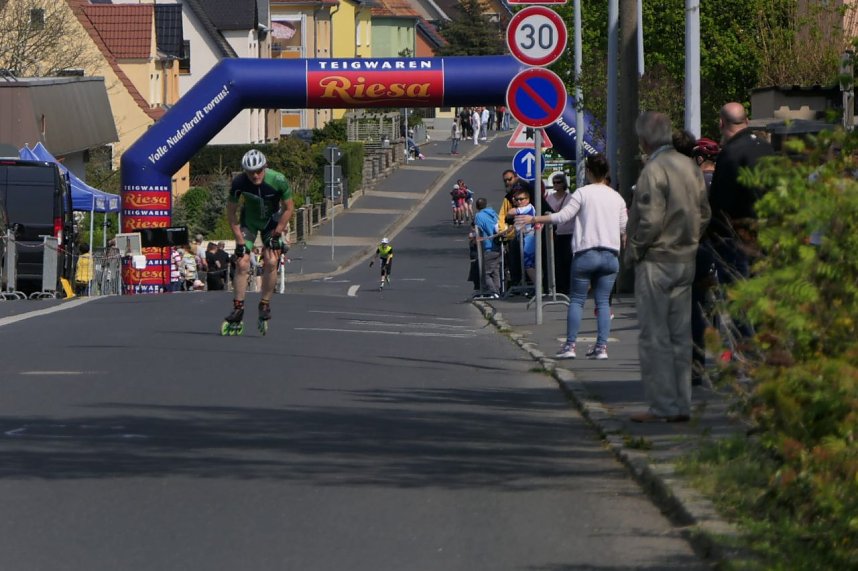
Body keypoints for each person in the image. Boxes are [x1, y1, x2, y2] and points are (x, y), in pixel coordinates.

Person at [624, 111, 711, 423]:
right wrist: (690, 239)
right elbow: (703, 211)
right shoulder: (690, 166)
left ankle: (663, 405)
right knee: (680, 334)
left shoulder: (653, 169)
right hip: (686, 257)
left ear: (645, 140)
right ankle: (682, 403)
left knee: (654, 336)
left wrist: (634, 250)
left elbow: (649, 219)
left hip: (657, 260)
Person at [519, 154, 627, 360]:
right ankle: (601, 348)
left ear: (588, 172)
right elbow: (624, 227)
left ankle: (570, 346)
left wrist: (533, 218)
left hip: (586, 253)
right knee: (603, 302)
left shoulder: (582, 193)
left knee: (576, 300)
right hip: (610, 256)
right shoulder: (617, 197)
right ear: (607, 173)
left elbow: (562, 217)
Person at [223, 149, 294, 332]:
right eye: (250, 172)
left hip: (272, 223)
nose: (255, 175)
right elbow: (231, 212)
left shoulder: (278, 180)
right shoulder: (239, 182)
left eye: (259, 171)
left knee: (271, 260)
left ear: (265, 167)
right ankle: (238, 309)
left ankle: (264, 304)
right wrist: (239, 241)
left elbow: (288, 209)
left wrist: (278, 233)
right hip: (250, 222)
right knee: (242, 263)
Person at [707, 102, 774, 283]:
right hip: (768, 238)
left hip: (737, 244)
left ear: (721, 123)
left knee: (737, 303)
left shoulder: (730, 154)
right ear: (747, 120)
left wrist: (714, 238)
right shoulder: (768, 149)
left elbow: (720, 202)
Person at [691, 137, 721, 384]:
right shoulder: (724, 180)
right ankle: (726, 362)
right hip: (724, 247)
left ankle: (697, 366)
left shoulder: (694, 183)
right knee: (724, 309)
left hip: (699, 248)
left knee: (696, 309)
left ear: (699, 159)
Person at [544, 172, 575, 295]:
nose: (556, 184)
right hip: (554, 233)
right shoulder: (550, 198)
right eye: (554, 182)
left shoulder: (570, 198)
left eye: (559, 182)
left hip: (568, 232)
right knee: (556, 261)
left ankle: (568, 286)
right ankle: (558, 286)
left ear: (564, 184)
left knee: (567, 260)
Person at [474, 197, 501, 298]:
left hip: (489, 246)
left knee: (486, 273)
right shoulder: (493, 214)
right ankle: (498, 291)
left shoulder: (479, 216)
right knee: (495, 271)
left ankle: (493, 292)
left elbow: (478, 229)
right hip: (498, 245)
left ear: (477, 206)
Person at [510, 189, 538, 286]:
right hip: (523, 237)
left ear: (528, 199)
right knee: (528, 264)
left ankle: (538, 287)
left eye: (521, 199)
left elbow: (510, 212)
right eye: (517, 199)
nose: (519, 201)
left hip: (529, 237)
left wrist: (514, 204)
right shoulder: (523, 208)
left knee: (528, 264)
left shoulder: (527, 208)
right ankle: (537, 286)